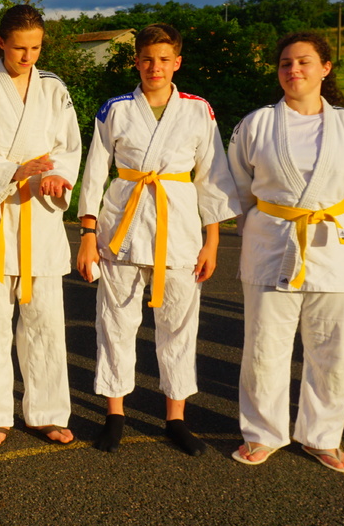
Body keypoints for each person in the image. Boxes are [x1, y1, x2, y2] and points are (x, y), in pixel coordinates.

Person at [76, 24, 240, 455]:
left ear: (177, 62)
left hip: (180, 230)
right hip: (123, 228)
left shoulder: (198, 110)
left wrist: (212, 241)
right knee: (115, 324)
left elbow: (212, 177)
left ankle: (176, 418)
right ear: (136, 61)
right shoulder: (115, 109)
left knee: (179, 328)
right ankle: (115, 414)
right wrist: (88, 234)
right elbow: (94, 173)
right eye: (148, 59)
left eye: (164, 60)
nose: (155, 67)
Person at [228, 31, 344, 473]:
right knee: (264, 346)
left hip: (333, 246)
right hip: (271, 242)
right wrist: (262, 227)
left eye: (304, 62)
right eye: (286, 63)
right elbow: (238, 186)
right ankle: (262, 432)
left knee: (331, 349)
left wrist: (334, 222)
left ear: (325, 69)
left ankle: (322, 436)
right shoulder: (255, 124)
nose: (294, 70)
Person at [0, 4, 81, 447]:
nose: (28, 57)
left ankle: (47, 412)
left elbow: (69, 145)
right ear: (0, 43)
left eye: (35, 48)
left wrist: (56, 176)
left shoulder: (54, 88)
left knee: (45, 322)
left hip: (41, 215)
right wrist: (14, 170)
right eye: (19, 49)